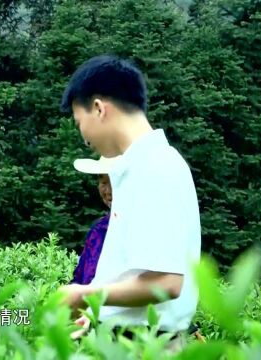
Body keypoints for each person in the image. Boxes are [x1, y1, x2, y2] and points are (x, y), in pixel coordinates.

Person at [58, 55, 201, 350]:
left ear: (98, 109)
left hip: (148, 347)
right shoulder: (138, 167)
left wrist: (84, 295)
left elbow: (166, 283)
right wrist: (106, 310)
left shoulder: (155, 166)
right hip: (132, 340)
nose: (83, 135)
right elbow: (139, 271)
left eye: (79, 122)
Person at [70, 155, 119, 285]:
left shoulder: (139, 228)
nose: (108, 191)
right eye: (103, 182)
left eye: (114, 181)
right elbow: (80, 277)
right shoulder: (98, 228)